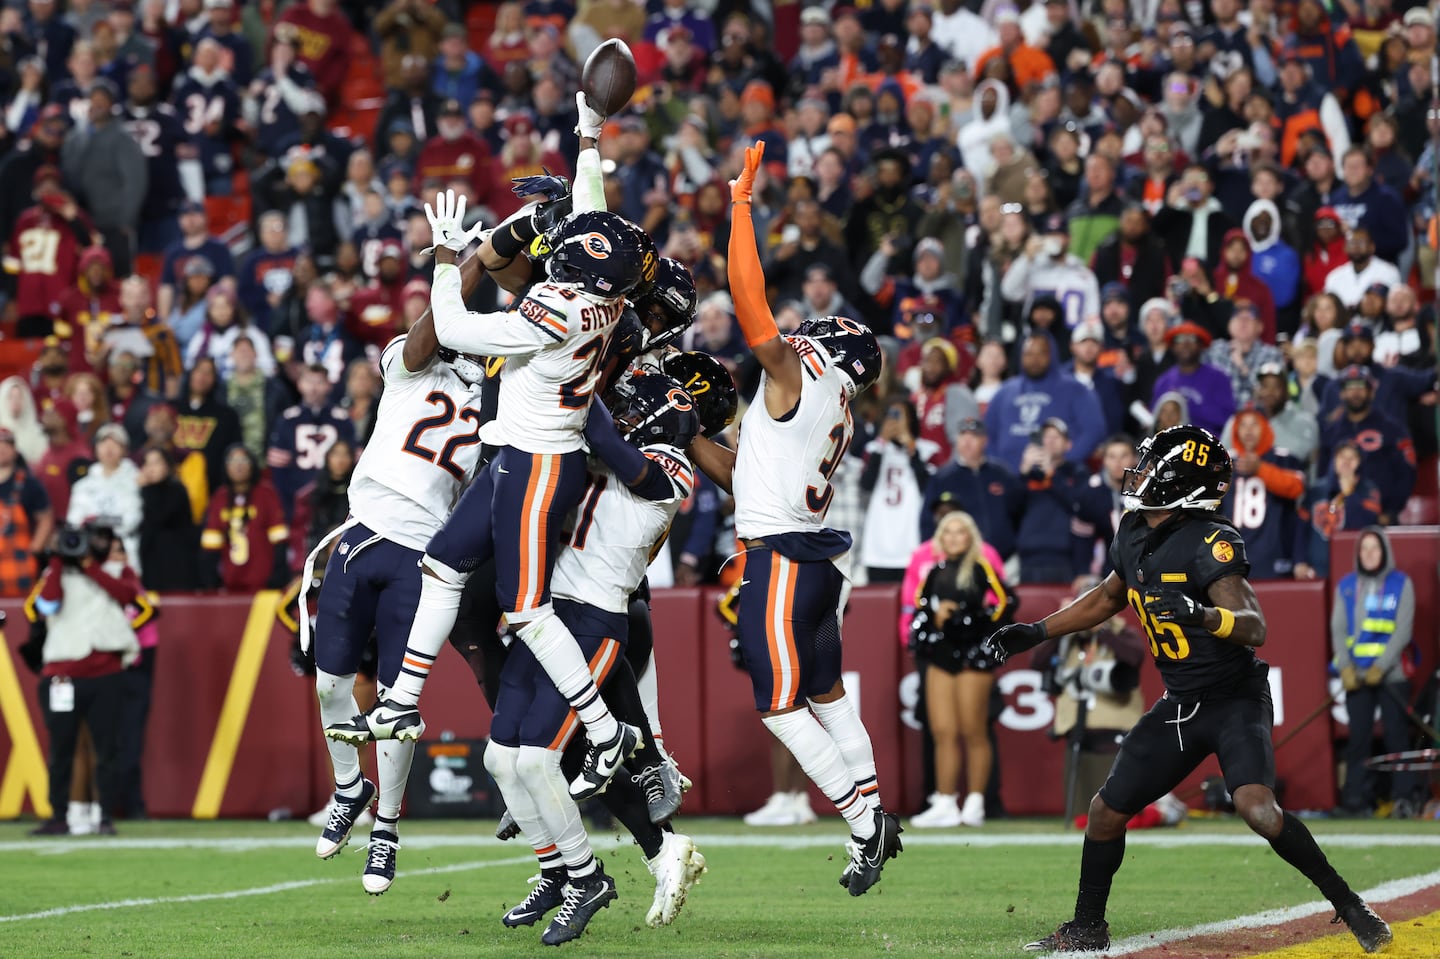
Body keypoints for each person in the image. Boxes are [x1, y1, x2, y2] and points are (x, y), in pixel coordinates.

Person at [983, 424, 1392, 954]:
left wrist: (1201, 613)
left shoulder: (1211, 542)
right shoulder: (1132, 529)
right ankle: (1087, 927)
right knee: (1106, 811)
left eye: (1153, 467)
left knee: (1258, 810)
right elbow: (1110, 597)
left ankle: (1349, 904)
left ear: (1181, 484)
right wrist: (1036, 631)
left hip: (1233, 697)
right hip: (1180, 704)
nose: (1141, 473)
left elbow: (1253, 625)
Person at [329, 164, 651, 809]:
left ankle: (605, 729)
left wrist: (451, 255)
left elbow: (449, 326)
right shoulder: (602, 297)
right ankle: (401, 699)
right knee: (444, 563)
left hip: (540, 465)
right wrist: (585, 145)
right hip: (516, 454)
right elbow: (595, 225)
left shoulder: (561, 310)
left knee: (527, 610)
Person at [686, 140, 901, 896]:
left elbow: (749, 303)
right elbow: (740, 475)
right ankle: (877, 809)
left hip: (778, 561)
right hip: (811, 562)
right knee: (827, 695)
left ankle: (861, 821)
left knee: (779, 707)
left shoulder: (801, 374)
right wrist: (684, 430)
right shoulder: (831, 401)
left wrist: (741, 208)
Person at [297, 248, 490, 896]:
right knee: (330, 686)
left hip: (422, 554)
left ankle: (386, 829)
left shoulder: (496, 403)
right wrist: (468, 260)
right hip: (363, 533)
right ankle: (351, 787)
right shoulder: (409, 364)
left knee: (396, 703)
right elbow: (431, 327)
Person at [488, 375, 707, 942]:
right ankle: (556, 868)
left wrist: (574, 384)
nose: (630, 412)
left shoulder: (671, 470)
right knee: (499, 758)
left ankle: (587, 878)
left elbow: (612, 448)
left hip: (594, 621)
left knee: (539, 760)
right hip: (547, 611)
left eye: (640, 408)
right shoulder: (617, 451)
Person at [21, 521, 141, 836]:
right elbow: (46, 605)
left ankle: (104, 816)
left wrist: (89, 565)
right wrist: (58, 562)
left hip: (106, 673)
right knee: (61, 749)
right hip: (63, 674)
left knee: (106, 749)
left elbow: (127, 597)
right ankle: (58, 815)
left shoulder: (118, 571)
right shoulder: (54, 573)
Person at [907, 511, 1012, 828]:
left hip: (973, 654)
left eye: (960, 532)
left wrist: (975, 622)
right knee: (943, 732)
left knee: (974, 730)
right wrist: (937, 615)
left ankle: (976, 801)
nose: (953, 538)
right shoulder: (933, 570)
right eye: (948, 532)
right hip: (941, 653)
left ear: (970, 538)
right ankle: (945, 800)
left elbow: (1006, 602)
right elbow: (920, 604)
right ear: (940, 538)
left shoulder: (980, 568)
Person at [1332, 527, 1424, 819]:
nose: (1369, 554)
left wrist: (1381, 667)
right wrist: (1345, 667)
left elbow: (1403, 630)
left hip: (1391, 677)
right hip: (1356, 677)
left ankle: (1403, 800)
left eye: (1375, 548)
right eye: (1364, 549)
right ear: (1358, 554)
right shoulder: (1346, 586)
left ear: (1384, 551)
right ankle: (1356, 802)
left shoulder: (1401, 584)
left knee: (1397, 740)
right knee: (1358, 740)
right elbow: (1338, 629)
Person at [859, 398, 938, 583]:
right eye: (891, 415)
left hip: (911, 541)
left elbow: (928, 489)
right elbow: (866, 485)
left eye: (900, 416)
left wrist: (911, 447)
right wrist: (881, 442)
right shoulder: (873, 449)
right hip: (878, 543)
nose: (895, 421)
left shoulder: (929, 450)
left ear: (911, 419)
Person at [66, 423, 142, 572]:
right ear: (96, 448)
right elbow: (74, 520)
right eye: (104, 443)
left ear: (124, 449)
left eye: (115, 443)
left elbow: (131, 519)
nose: (109, 448)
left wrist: (95, 522)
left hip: (123, 553)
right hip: (89, 554)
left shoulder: (136, 481)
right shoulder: (83, 486)